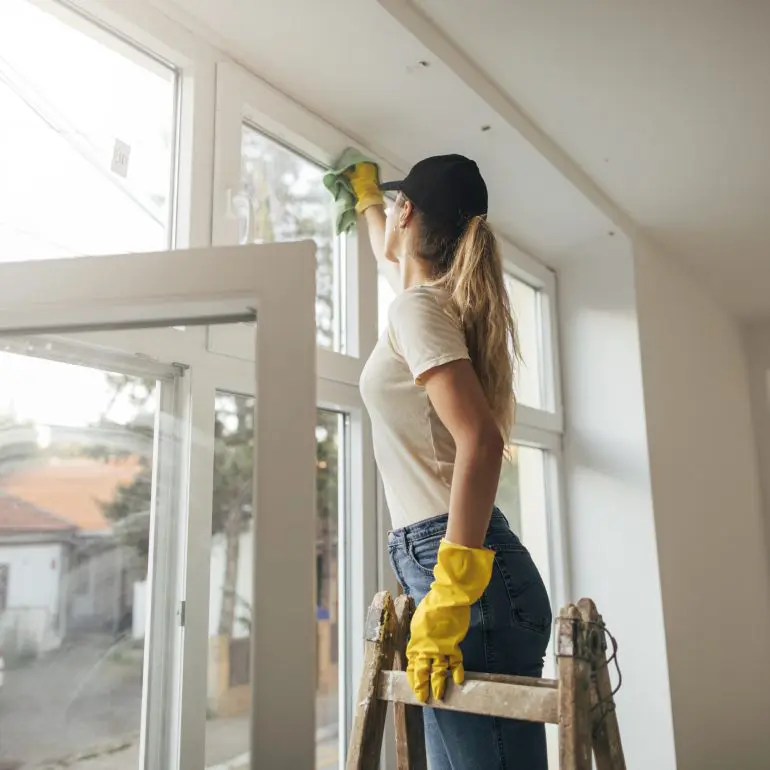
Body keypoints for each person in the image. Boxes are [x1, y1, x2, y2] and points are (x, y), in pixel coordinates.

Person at [348, 154, 552, 769]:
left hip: (464, 578)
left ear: (406, 213)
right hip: (463, 571)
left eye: (390, 206)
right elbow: (395, 261)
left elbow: (482, 442)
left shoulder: (418, 311)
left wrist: (452, 593)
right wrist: (364, 203)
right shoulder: (428, 304)